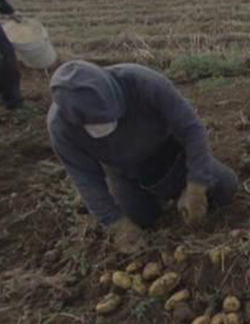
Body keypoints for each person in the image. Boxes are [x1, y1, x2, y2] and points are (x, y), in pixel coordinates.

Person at [47, 60, 239, 254]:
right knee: (140, 220)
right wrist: (116, 224)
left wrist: (197, 185)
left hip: (170, 153)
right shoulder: (61, 128)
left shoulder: (143, 82)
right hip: (125, 171)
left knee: (225, 186)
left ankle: (181, 188)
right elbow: (85, 178)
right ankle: (149, 199)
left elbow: (191, 129)